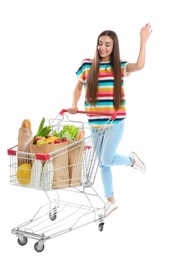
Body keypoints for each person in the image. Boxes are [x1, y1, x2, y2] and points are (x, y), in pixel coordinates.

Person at [68, 23, 152, 217]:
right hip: (94, 122)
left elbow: (139, 66)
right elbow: (78, 88)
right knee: (103, 163)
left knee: (106, 159)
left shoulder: (119, 66)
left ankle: (131, 161)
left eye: (107, 44)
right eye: (100, 43)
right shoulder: (87, 65)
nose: (103, 48)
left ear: (114, 47)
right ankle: (110, 201)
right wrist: (73, 104)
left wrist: (143, 41)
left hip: (115, 122)